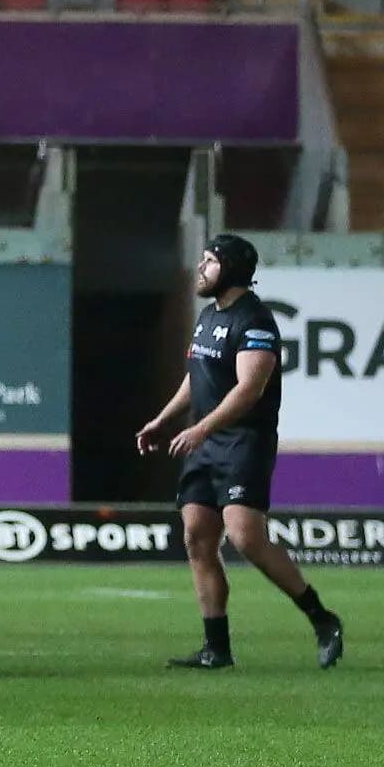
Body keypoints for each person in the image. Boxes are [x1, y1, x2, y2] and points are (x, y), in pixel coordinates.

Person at [135, 233, 342, 672]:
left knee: (246, 536)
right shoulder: (209, 316)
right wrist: (165, 419)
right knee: (196, 535)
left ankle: (321, 617)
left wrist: (202, 428)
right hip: (204, 441)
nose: (201, 268)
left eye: (210, 261)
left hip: (243, 441)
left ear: (229, 269)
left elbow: (249, 390)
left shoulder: (257, 322)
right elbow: (197, 377)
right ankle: (217, 648)